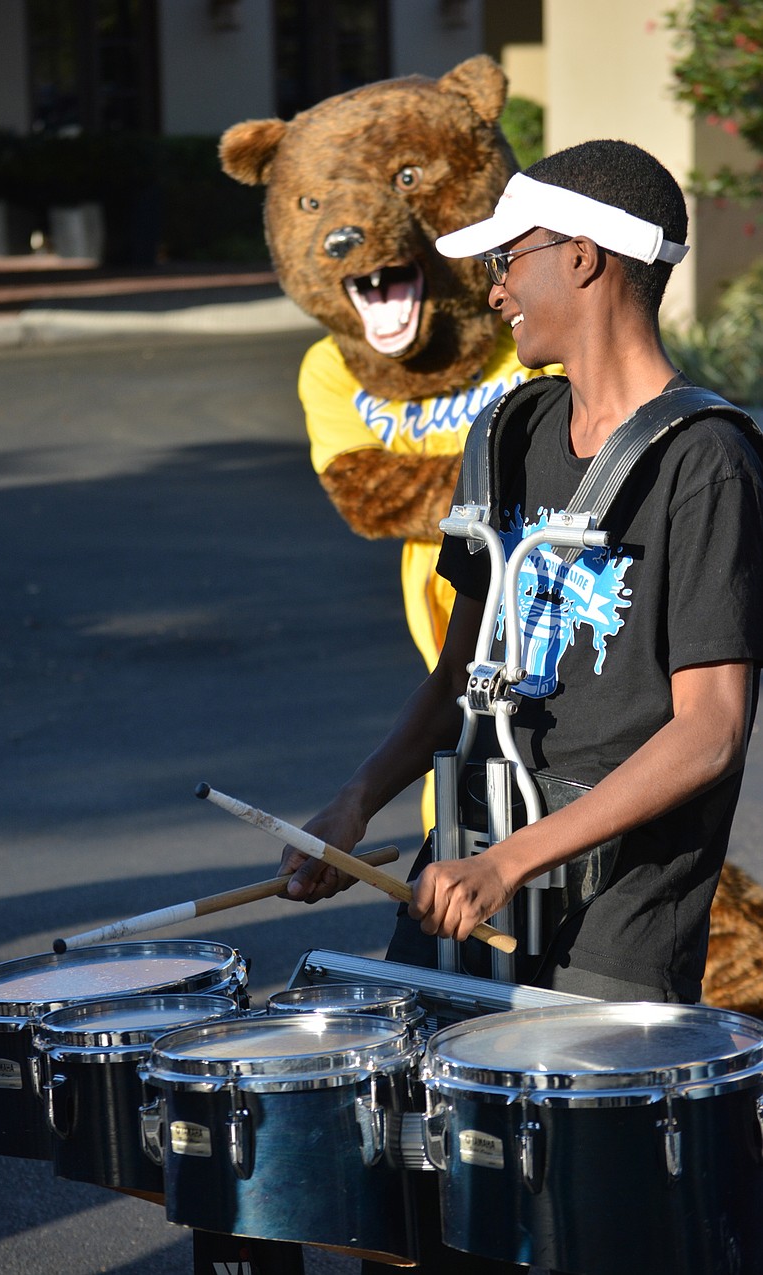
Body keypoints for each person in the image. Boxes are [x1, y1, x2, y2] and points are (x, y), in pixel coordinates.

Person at [278, 140, 763, 1273]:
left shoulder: (709, 463)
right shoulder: (510, 432)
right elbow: (463, 667)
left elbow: (710, 730)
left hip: (613, 928)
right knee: (422, 1220)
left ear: (584, 258)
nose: (492, 289)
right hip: (464, 879)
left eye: (508, 259)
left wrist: (515, 862)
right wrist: (357, 801)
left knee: (581, 1237)